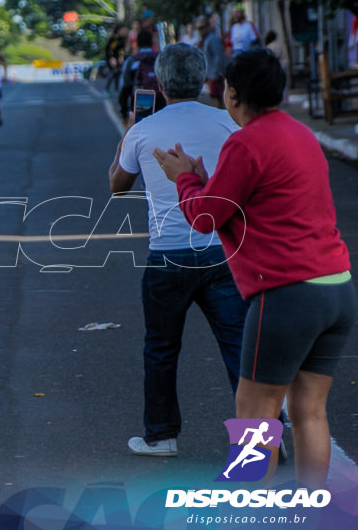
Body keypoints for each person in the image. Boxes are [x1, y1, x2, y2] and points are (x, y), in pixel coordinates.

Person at [155, 49, 355, 489]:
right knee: (309, 411)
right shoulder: (300, 134)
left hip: (288, 295)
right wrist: (205, 183)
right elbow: (260, 203)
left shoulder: (246, 142)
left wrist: (183, 178)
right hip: (336, 287)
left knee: (253, 413)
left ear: (232, 94)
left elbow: (205, 217)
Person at [109, 44, 246, 458]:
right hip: (222, 249)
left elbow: (117, 185)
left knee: (161, 348)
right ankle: (262, 439)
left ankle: (161, 435)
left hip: (167, 253)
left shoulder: (144, 129)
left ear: (162, 84)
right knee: (239, 345)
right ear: (206, 81)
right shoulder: (227, 123)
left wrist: (129, 131)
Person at [118, 30, 161, 126]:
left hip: (141, 100)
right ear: (151, 42)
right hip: (161, 99)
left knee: (142, 132)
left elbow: (125, 87)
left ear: (137, 43)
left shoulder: (132, 60)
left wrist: (123, 112)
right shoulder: (160, 58)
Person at [199, 16, 226, 109]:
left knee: (216, 98)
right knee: (214, 97)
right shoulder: (206, 39)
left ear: (207, 27)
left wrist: (216, 73)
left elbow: (218, 57)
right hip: (211, 74)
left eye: (202, 28)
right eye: (198, 28)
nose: (200, 31)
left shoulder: (213, 39)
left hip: (215, 75)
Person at [104, 25, 129, 96]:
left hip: (119, 59)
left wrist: (121, 56)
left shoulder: (124, 38)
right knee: (112, 74)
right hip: (112, 59)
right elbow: (110, 49)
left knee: (118, 74)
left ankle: (117, 90)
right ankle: (107, 90)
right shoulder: (114, 38)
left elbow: (123, 50)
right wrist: (112, 58)